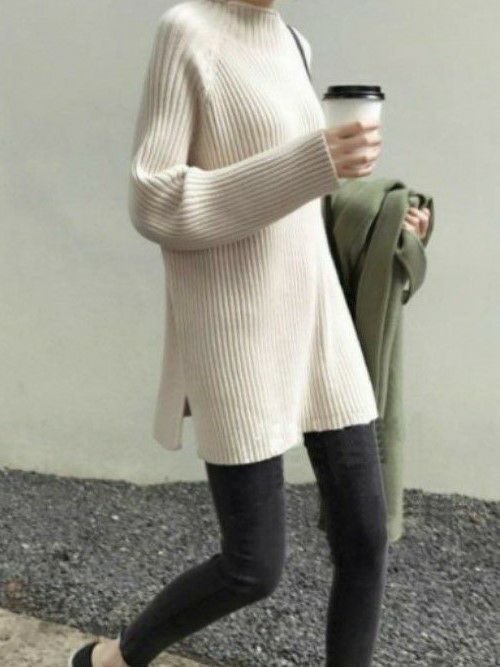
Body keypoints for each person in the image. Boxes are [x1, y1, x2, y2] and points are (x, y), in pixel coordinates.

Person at [68, 1, 429, 665]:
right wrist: (314, 160)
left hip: (317, 320)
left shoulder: (293, 42)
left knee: (365, 536)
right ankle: (114, 659)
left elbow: (297, 195)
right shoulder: (187, 32)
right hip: (236, 330)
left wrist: (382, 217)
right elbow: (154, 200)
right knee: (252, 566)